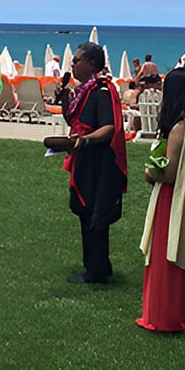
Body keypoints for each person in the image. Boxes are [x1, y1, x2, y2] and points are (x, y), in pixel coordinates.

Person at [136, 67, 185, 331]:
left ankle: (165, 315)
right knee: (178, 249)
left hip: (170, 198)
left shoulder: (179, 128)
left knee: (167, 251)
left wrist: (149, 172)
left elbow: (170, 173)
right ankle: (182, 311)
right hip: (183, 197)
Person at [61, 42, 127, 284]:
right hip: (85, 157)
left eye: (76, 61)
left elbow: (109, 128)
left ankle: (95, 271)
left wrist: (84, 140)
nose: (72, 64)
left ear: (91, 64)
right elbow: (74, 120)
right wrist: (65, 101)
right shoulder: (85, 90)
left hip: (98, 161)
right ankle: (97, 266)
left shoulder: (102, 90)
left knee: (93, 213)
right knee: (84, 212)